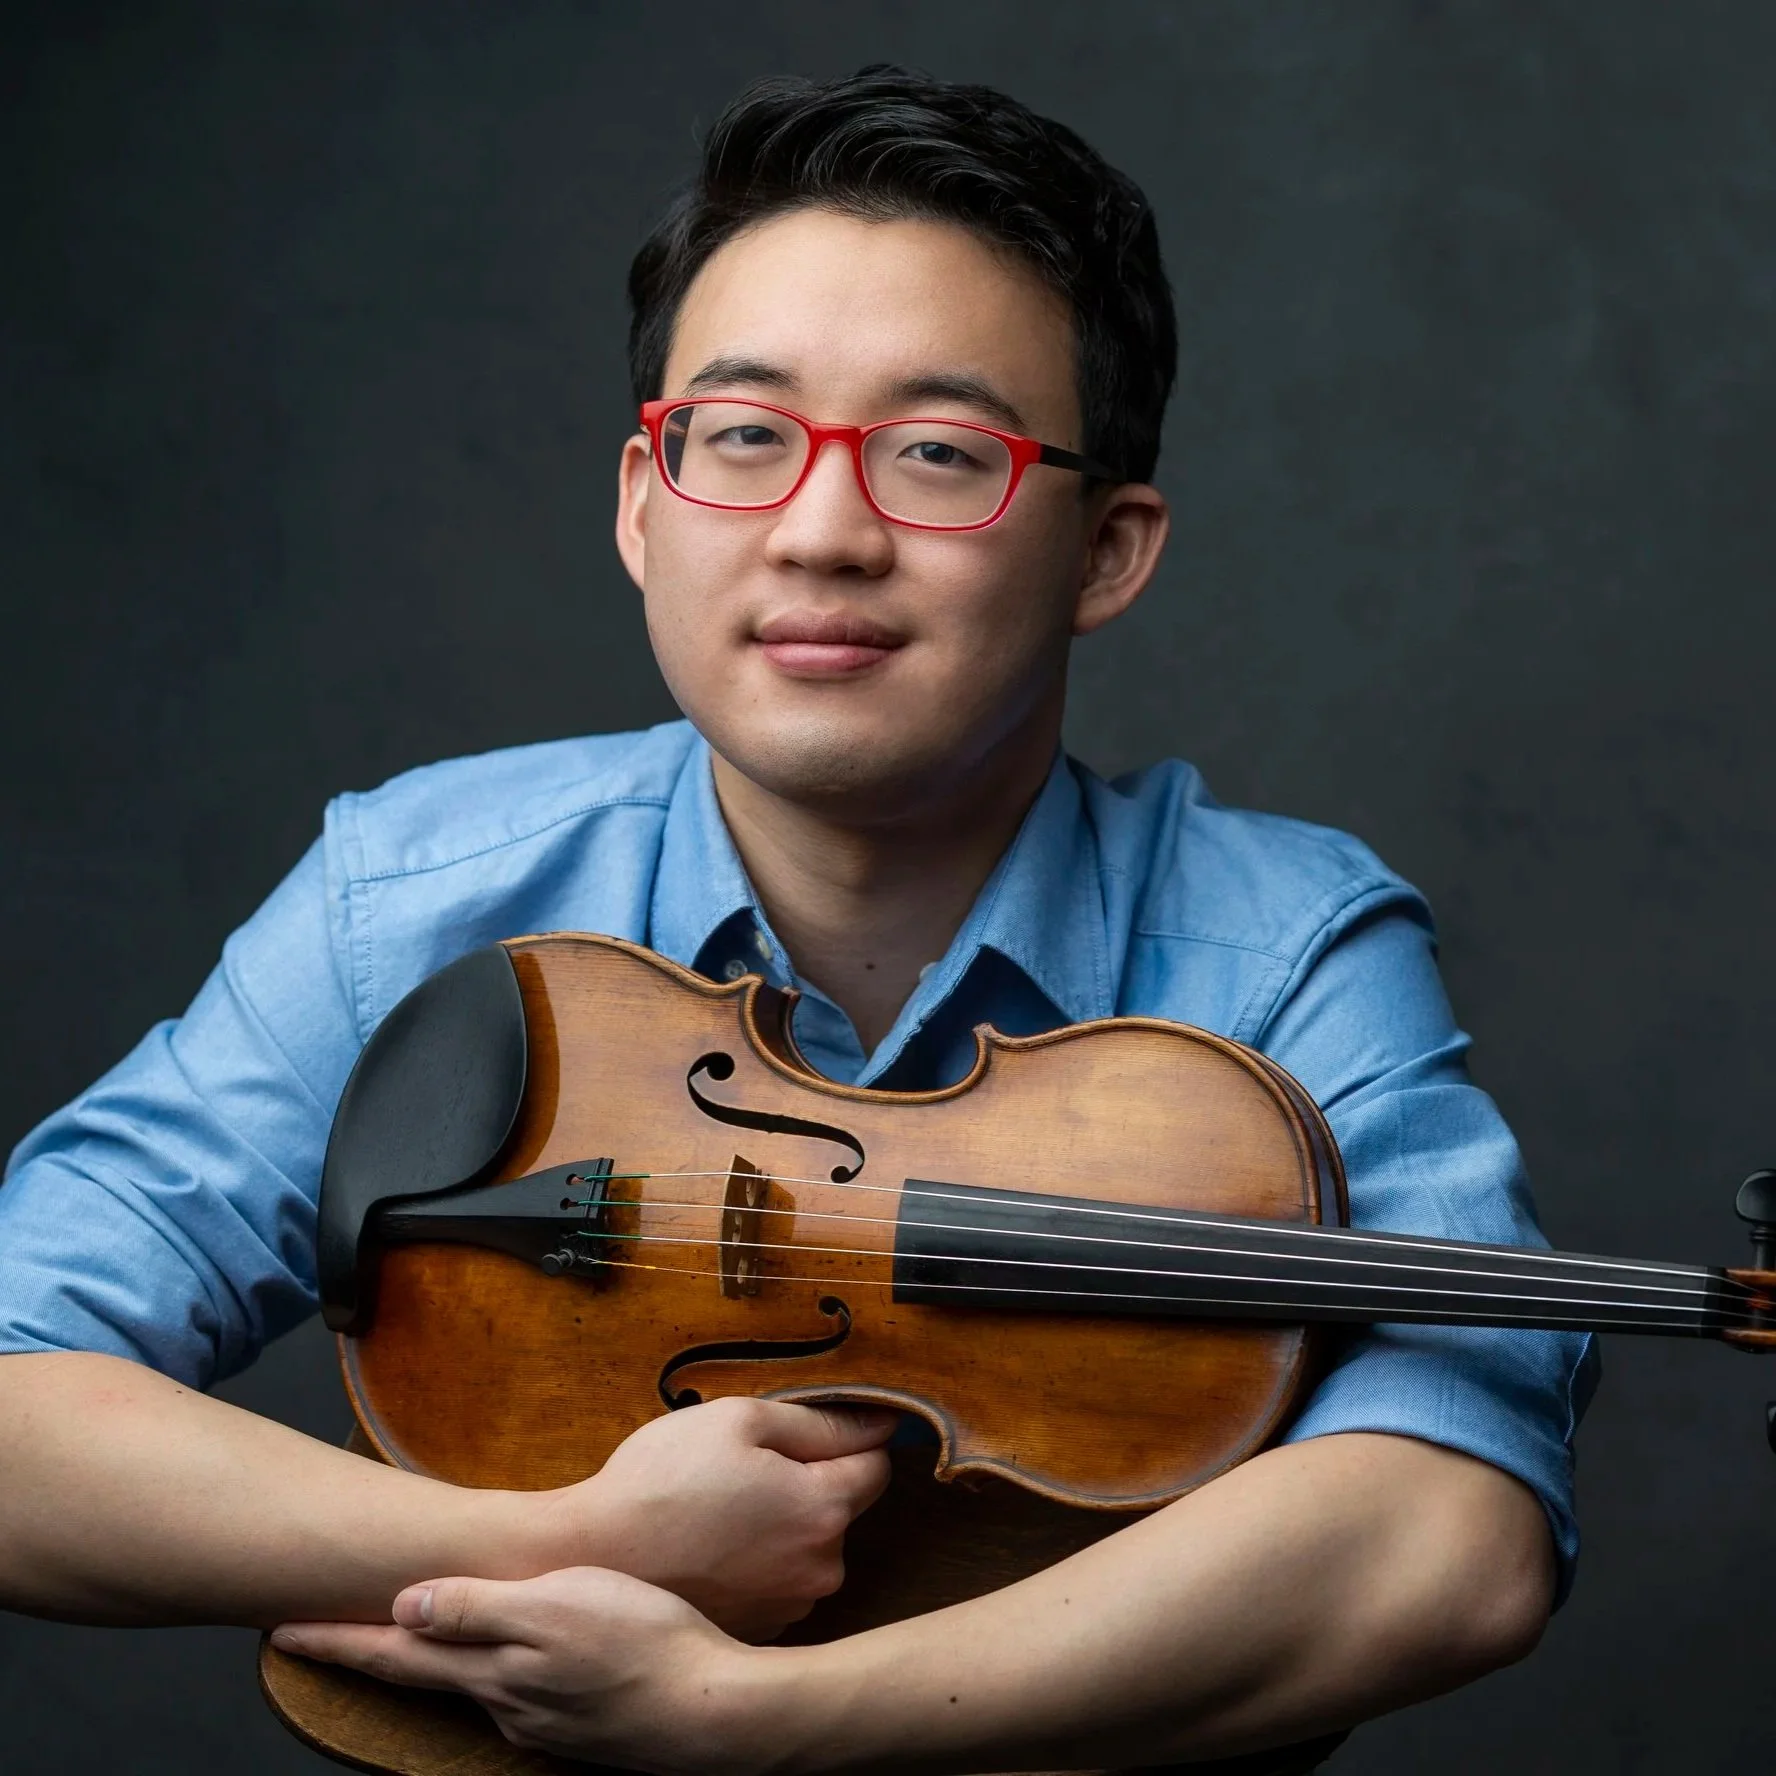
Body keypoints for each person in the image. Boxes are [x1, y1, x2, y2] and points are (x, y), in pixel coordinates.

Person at [0, 66, 1595, 1773]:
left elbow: (1456, 1529)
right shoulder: (417, 897)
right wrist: (564, 1543)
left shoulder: (1284, 951)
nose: (822, 534)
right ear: (642, 503)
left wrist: (749, 1720)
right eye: (745, 438)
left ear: (1107, 551)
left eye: (941, 455)